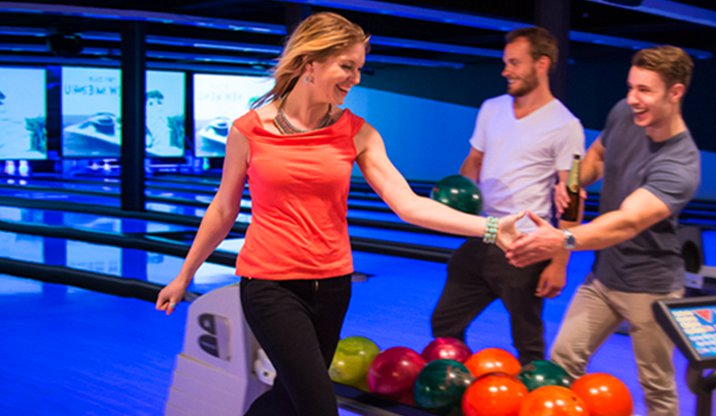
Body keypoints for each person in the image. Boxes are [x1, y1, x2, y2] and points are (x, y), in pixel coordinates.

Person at [154, 12, 521, 416]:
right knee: (318, 406)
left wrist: (491, 227)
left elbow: (408, 203)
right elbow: (224, 207)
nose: (356, 78)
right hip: (271, 285)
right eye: (347, 66)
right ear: (310, 62)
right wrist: (185, 274)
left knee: (288, 397)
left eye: (360, 68)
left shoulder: (358, 132)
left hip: (332, 285)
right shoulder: (248, 130)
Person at [507, 45, 700, 415]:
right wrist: (577, 183)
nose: (633, 99)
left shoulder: (681, 164)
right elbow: (596, 155)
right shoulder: (625, 114)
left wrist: (563, 238)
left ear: (675, 93)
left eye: (645, 91)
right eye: (631, 87)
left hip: (652, 289)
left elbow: (628, 220)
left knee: (657, 388)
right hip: (604, 277)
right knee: (562, 364)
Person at [429, 26, 584, 364]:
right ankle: (460, 389)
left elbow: (571, 193)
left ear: (541, 64)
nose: (505, 71)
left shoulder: (566, 125)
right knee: (444, 322)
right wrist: (453, 203)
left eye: (514, 63)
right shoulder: (492, 108)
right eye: (505, 63)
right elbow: (474, 161)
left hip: (525, 245)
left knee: (527, 341)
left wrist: (559, 262)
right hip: (484, 234)